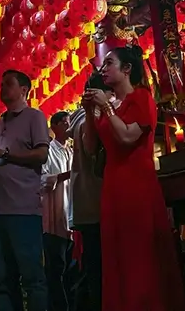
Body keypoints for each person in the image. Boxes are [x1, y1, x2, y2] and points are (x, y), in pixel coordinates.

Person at [82, 47, 185, 311]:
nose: (103, 69)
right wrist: (88, 112)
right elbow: (90, 147)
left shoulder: (141, 98)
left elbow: (128, 137)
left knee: (140, 252)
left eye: (109, 63)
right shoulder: (110, 106)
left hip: (136, 183)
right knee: (118, 254)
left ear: (127, 68)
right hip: (113, 185)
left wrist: (105, 106)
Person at [0, 70, 50, 311]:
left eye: (8, 84)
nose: (2, 88)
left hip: (23, 210)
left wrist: (3, 154)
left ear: (24, 90)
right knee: (3, 281)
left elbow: (41, 154)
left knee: (32, 279)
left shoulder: (34, 117)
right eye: (1, 84)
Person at [66, 73, 117, 311]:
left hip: (86, 203)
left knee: (92, 267)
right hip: (97, 202)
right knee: (100, 270)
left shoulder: (78, 119)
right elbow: (91, 148)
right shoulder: (93, 115)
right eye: (111, 93)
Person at [41, 111, 73, 311]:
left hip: (70, 215)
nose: (69, 127)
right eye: (66, 123)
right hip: (53, 216)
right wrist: (66, 175)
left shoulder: (71, 152)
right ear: (55, 126)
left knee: (69, 269)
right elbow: (42, 180)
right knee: (55, 270)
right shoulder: (47, 151)